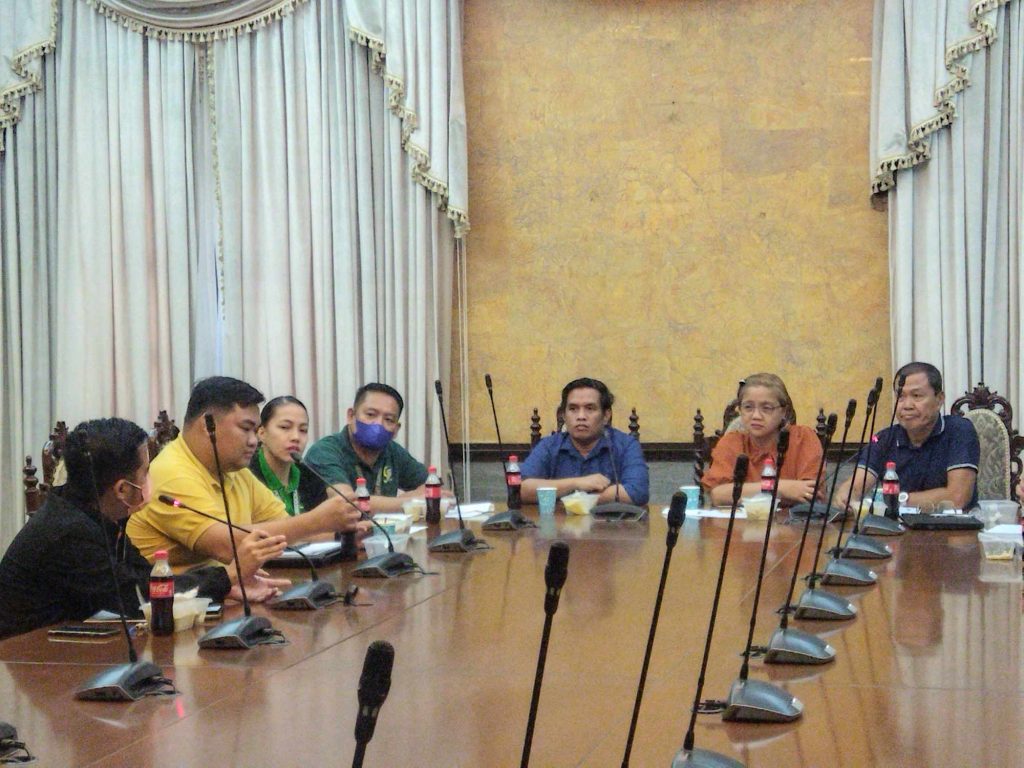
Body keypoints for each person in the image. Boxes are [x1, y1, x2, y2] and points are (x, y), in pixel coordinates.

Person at [0, 418, 288, 640]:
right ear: (123, 489)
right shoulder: (67, 533)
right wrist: (227, 575)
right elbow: (138, 598)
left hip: (70, 648)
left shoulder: (100, 513)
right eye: (146, 471)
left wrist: (223, 588)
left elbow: (145, 579)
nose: (152, 478)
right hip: (30, 660)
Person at [127, 376, 365, 570]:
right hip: (167, 608)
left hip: (224, 596)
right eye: (245, 429)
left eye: (256, 430)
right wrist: (316, 521)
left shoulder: (234, 469)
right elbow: (227, 545)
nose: (254, 441)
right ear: (206, 425)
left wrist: (339, 535)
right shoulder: (171, 472)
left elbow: (283, 529)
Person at [834, 362, 979, 510]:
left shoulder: (959, 430)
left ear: (939, 399)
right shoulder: (884, 438)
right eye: (900, 397)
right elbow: (857, 485)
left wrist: (897, 499)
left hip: (953, 529)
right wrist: (847, 495)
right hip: (898, 529)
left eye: (916, 396)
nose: (907, 405)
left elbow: (957, 498)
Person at [304, 382, 445, 513]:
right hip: (332, 537)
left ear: (396, 429)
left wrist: (413, 498)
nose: (378, 424)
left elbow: (435, 488)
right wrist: (410, 501)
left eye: (388, 419)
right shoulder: (324, 451)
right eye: (371, 415)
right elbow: (348, 504)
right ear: (351, 416)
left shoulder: (392, 451)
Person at [519, 378, 649, 505]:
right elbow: (519, 489)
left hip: (609, 525)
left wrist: (576, 499)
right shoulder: (549, 446)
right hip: (558, 525)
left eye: (590, 408)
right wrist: (577, 483)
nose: (581, 416)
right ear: (564, 415)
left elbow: (637, 492)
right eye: (573, 409)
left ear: (606, 415)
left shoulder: (626, 445)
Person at [700, 373, 823, 506]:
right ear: (740, 409)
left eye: (766, 408)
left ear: (783, 412)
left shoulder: (803, 438)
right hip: (741, 524)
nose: (756, 416)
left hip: (792, 524)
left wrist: (745, 493)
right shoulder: (731, 442)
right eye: (748, 407)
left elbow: (808, 494)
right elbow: (718, 495)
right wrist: (778, 487)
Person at [249, 396, 326, 516]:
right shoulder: (247, 474)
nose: (296, 437)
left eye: (303, 430)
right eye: (285, 427)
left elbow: (325, 526)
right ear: (261, 433)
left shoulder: (311, 477)